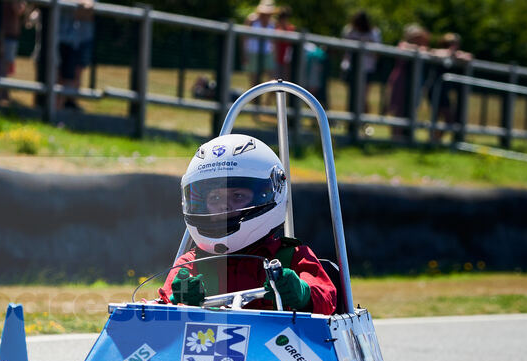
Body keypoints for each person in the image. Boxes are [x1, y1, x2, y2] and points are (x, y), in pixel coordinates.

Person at [161, 134, 337, 315]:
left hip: (280, 341)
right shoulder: (191, 264)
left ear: (268, 194)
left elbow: (328, 301)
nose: (224, 205)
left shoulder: (293, 257)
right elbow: (159, 313)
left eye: (237, 196)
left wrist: (301, 292)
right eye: (215, 197)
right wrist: (177, 300)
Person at [386, 23, 429, 139]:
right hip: (401, 81)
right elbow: (403, 48)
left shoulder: (423, 49)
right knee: (398, 109)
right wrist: (418, 49)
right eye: (416, 37)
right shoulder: (404, 45)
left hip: (414, 83)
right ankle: (396, 137)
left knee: (412, 109)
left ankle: (406, 136)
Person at [340, 10, 381, 113]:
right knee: (352, 95)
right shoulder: (349, 30)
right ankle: (350, 120)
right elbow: (344, 49)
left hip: (367, 68)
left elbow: (377, 52)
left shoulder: (374, 33)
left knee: (363, 96)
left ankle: (365, 123)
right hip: (351, 67)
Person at [57, 0, 94, 110]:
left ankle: (69, 103)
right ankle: (57, 106)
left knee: (74, 74)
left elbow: (88, 12)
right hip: (61, 38)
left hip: (76, 41)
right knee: (59, 75)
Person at [243, 1, 276, 90]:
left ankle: (265, 102)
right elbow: (244, 38)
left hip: (267, 53)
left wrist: (274, 55)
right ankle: (254, 102)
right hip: (253, 52)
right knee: (254, 80)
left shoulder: (272, 23)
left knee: (272, 79)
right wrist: (244, 54)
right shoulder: (251, 20)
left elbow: (273, 41)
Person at [273, 6, 296, 81]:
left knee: (285, 81)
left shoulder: (291, 28)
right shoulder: (276, 28)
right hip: (275, 59)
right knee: (274, 81)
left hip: (286, 61)